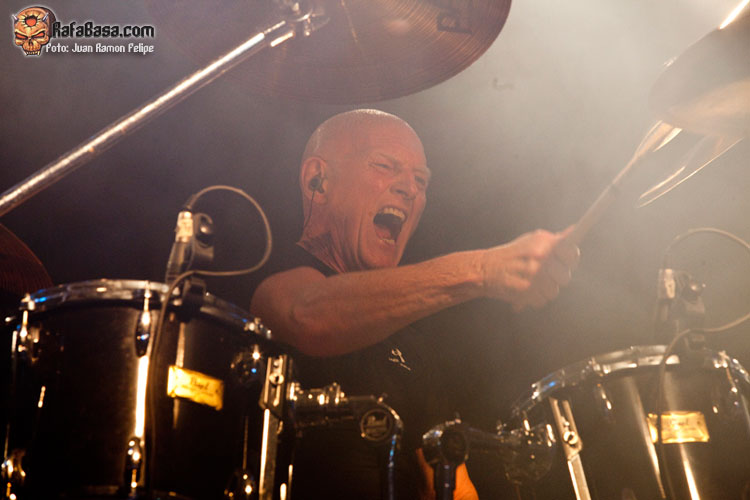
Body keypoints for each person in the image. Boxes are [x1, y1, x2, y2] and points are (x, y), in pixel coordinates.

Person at [250, 109, 580, 499]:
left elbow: (451, 488)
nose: (410, 188)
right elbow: (306, 315)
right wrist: (481, 269)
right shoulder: (265, 268)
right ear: (317, 181)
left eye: (421, 180)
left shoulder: (411, 344)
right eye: (384, 166)